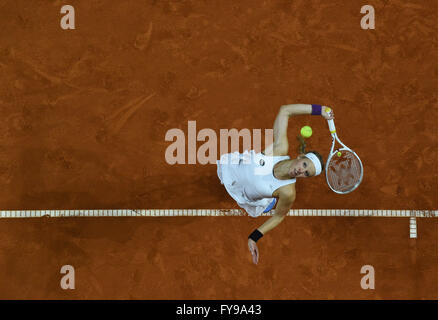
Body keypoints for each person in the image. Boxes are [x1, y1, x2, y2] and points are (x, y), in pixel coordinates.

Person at [217, 104, 334, 264]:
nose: (301, 171)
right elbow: (285, 111)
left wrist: (254, 237)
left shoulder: (287, 192)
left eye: (306, 173)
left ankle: (269, 201)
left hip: (247, 195)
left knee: (264, 203)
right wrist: (319, 110)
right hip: (234, 170)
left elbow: (279, 216)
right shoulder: (279, 149)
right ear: (300, 157)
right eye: (305, 165)